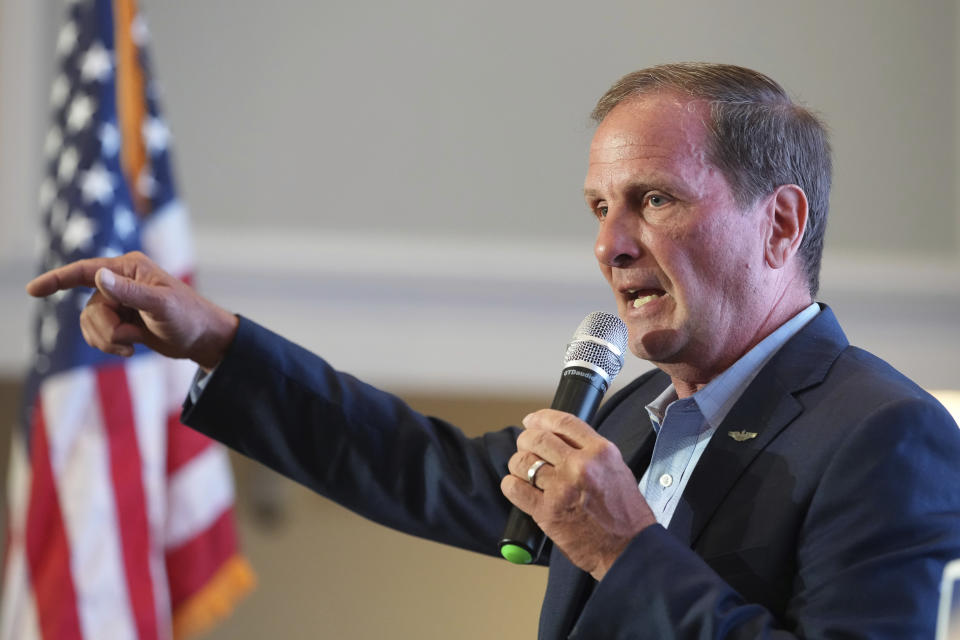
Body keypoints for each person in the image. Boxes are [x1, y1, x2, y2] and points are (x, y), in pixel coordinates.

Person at [27, 63, 960, 638]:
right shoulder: (636, 415)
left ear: (780, 224)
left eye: (655, 200)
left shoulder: (884, 434)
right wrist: (219, 344)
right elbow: (409, 463)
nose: (611, 243)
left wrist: (624, 550)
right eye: (600, 208)